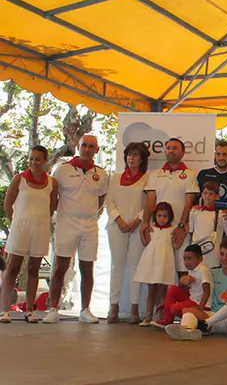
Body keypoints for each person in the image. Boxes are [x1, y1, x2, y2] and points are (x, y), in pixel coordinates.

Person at [43, 135, 108, 324]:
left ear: (97, 150)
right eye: (84, 145)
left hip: (89, 227)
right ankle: (53, 308)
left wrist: (91, 214)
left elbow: (101, 198)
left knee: (87, 268)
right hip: (66, 224)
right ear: (78, 147)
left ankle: (85, 309)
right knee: (60, 267)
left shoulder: (101, 174)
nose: (87, 149)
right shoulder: (62, 170)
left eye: (91, 146)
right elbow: (53, 196)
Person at [1, 146, 58, 324]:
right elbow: (7, 205)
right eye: (31, 158)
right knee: (13, 267)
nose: (34, 162)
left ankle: (30, 310)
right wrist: (17, 222)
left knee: (34, 268)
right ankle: (4, 310)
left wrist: (39, 220)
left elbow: (51, 207)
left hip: (40, 228)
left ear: (45, 161)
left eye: (38, 159)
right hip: (20, 227)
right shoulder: (19, 179)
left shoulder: (52, 183)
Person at [165, 240, 227, 341]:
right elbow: (192, 285)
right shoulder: (210, 272)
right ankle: (187, 331)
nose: (224, 258)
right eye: (222, 254)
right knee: (187, 310)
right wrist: (183, 280)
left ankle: (202, 325)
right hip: (210, 315)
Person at [105, 142, 149, 323]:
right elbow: (110, 203)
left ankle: (134, 309)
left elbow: (148, 204)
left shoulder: (147, 179)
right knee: (116, 266)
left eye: (136, 155)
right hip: (117, 227)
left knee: (135, 268)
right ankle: (113, 307)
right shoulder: (115, 178)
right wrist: (120, 221)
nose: (132, 158)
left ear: (142, 159)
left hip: (137, 227)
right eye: (129, 155)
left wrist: (136, 221)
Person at [142, 138, 198, 275]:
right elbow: (150, 201)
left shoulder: (190, 175)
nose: (170, 151)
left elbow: (188, 203)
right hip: (159, 231)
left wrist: (180, 226)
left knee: (182, 271)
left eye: (174, 148)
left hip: (180, 231)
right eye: (168, 148)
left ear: (182, 153)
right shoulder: (155, 175)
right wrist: (144, 223)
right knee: (158, 272)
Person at [134, 202, 177, 327]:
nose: (162, 219)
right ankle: (148, 317)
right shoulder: (151, 229)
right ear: (155, 216)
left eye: (165, 216)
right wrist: (143, 231)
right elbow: (146, 243)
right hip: (151, 263)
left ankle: (162, 317)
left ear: (170, 217)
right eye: (159, 216)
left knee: (163, 291)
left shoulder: (172, 231)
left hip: (164, 263)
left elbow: (174, 246)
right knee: (151, 290)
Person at [196, 140, 227, 235]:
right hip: (203, 225)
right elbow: (196, 199)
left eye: (224, 154)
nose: (221, 157)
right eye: (218, 154)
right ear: (215, 155)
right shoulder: (203, 174)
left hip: (226, 226)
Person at [156, 244, 212, 326]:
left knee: (174, 308)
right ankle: (167, 319)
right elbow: (186, 289)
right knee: (172, 289)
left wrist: (200, 309)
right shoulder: (192, 270)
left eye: (189, 258)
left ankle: (193, 319)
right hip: (192, 299)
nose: (186, 262)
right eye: (184, 259)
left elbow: (207, 291)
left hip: (200, 304)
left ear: (200, 259)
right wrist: (182, 282)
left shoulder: (203, 270)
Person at [189, 181, 227, 269]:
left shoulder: (222, 215)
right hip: (196, 254)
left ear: (217, 197)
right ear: (201, 195)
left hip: (213, 255)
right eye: (205, 193)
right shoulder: (194, 212)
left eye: (211, 194)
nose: (207, 196)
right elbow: (191, 232)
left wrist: (218, 245)